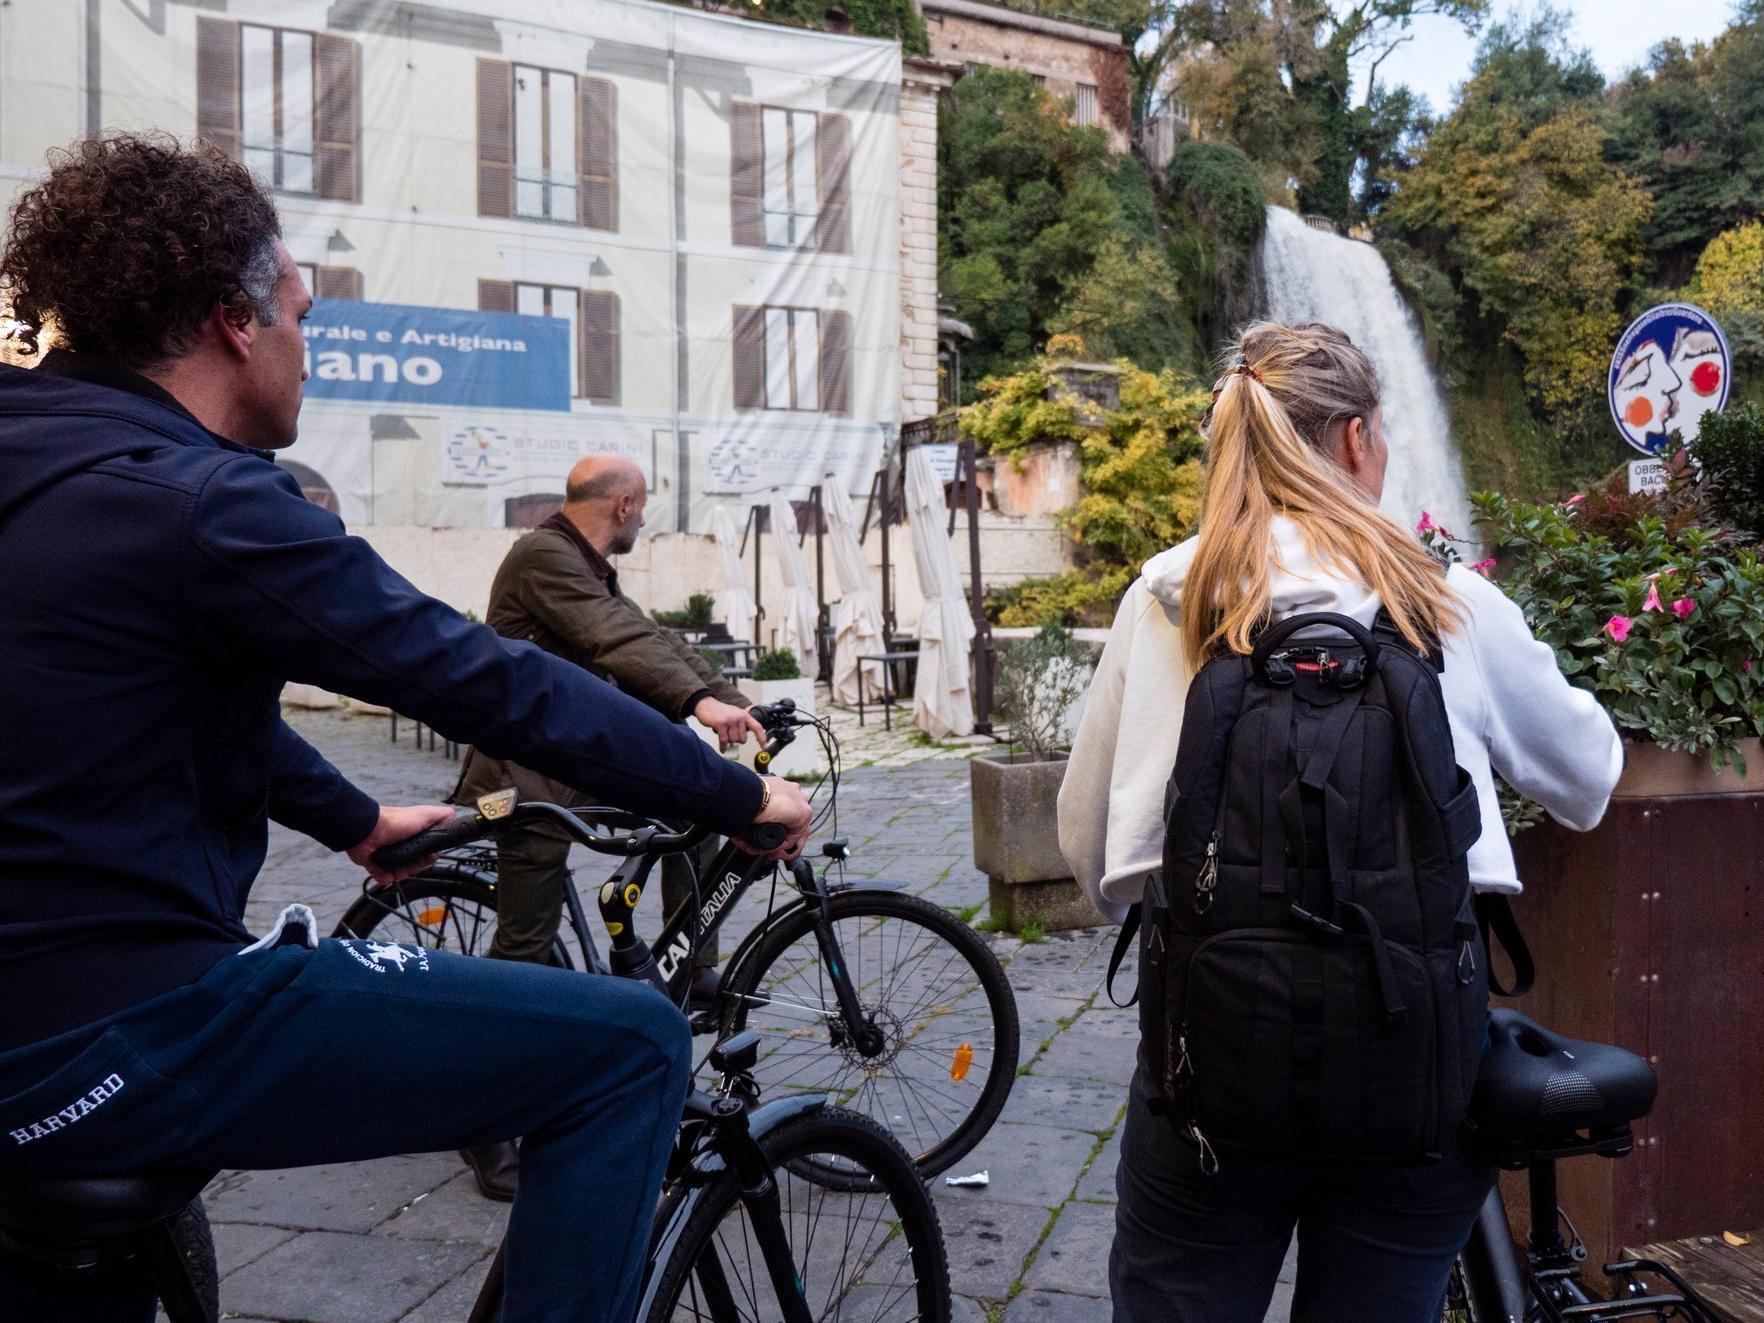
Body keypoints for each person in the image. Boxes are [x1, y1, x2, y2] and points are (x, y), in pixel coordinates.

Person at [0, 133, 810, 1323]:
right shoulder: (207, 505)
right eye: (301, 315)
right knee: (632, 1043)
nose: (307, 352)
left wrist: (355, 817)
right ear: (236, 322)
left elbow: (150, 705)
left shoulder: (45, 462)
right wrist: (738, 795)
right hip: (107, 1028)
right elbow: (491, 683)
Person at [1057, 321, 1624, 1322]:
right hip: (1411, 1068)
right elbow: (1589, 779)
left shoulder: (1170, 595)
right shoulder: (1441, 597)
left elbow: (1092, 852)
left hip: (1210, 1070)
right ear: (1358, 439)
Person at [451, 452, 763, 1199]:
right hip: (521, 776)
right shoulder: (543, 557)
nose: (645, 519)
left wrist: (730, 698)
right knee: (523, 949)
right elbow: (611, 640)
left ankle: (688, 968)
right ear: (623, 503)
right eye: (644, 506)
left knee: (696, 806)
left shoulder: (586, 565)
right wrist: (698, 705)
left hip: (569, 762)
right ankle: (482, 1128)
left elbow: (644, 635)